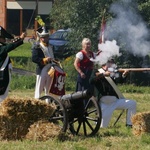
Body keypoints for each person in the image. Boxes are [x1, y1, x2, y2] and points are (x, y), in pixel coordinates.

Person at [89, 59, 137, 128]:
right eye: (110, 63)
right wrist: (103, 74)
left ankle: (129, 125)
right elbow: (91, 81)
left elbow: (119, 81)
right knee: (102, 127)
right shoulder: (97, 71)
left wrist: (124, 75)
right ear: (105, 64)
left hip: (115, 101)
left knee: (132, 103)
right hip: (104, 103)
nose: (112, 64)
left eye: (112, 63)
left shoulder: (113, 73)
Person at [0, 26, 26, 102]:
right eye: (3, 38)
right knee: (2, 96)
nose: (4, 40)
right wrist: (20, 39)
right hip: (2, 76)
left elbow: (10, 44)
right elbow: (9, 47)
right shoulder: (1, 48)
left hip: (3, 75)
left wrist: (20, 39)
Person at [32, 26, 55, 99]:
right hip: (42, 69)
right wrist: (44, 60)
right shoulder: (37, 47)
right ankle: (37, 101)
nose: (44, 38)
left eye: (46, 37)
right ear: (40, 37)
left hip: (50, 68)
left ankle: (48, 102)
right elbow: (34, 58)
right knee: (39, 88)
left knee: (49, 88)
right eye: (43, 37)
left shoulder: (51, 46)